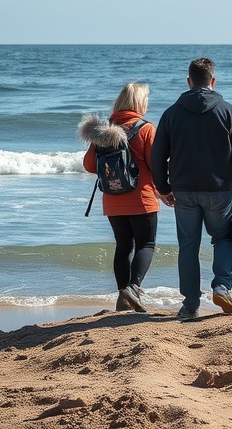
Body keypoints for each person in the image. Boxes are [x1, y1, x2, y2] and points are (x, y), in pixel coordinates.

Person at [152, 57, 232, 319]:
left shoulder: (171, 113)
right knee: (222, 238)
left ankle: (189, 303)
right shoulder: (229, 111)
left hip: (184, 191)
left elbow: (157, 154)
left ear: (189, 82)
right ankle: (221, 286)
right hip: (219, 190)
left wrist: (163, 187)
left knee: (188, 245)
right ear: (213, 81)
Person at [79, 82, 159, 313]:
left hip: (112, 200)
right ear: (139, 103)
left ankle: (123, 296)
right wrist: (166, 190)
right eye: (146, 99)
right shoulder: (145, 128)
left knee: (123, 246)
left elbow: (88, 165)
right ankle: (133, 289)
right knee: (146, 243)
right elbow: (156, 165)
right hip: (142, 198)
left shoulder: (102, 132)